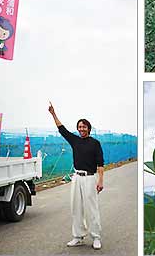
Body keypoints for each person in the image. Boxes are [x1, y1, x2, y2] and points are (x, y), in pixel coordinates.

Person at [48, 102, 104, 250]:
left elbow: (100, 164)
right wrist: (53, 114)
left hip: (90, 178)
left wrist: (100, 181)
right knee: (76, 208)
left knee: (91, 208)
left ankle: (96, 237)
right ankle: (78, 237)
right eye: (79, 127)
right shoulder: (75, 141)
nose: (81, 129)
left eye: (84, 127)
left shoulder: (95, 143)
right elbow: (62, 129)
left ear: (89, 129)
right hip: (76, 177)